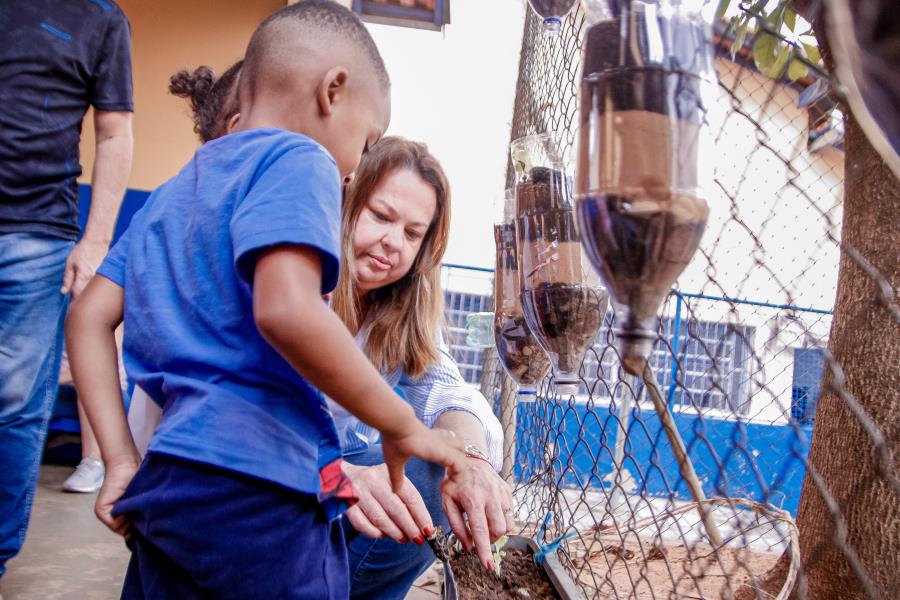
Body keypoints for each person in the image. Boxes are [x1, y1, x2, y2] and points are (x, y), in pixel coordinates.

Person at [65, 2, 471, 598]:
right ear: (334, 90)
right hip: (264, 489)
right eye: (367, 139)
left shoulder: (176, 192)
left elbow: (86, 317)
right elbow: (285, 309)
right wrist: (402, 424)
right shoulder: (302, 159)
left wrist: (121, 460)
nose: (355, 166)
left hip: (168, 484)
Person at [130, 62, 513, 598]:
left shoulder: (393, 315)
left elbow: (443, 389)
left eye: (412, 233)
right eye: (380, 215)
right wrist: (338, 476)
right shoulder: (283, 277)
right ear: (343, 196)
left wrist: (468, 460)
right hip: (213, 480)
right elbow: (218, 414)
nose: (392, 243)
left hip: (277, 486)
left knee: (429, 469)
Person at [0, 0, 133, 583]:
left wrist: (95, 238)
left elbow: (113, 131)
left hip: (37, 232)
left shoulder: (101, 18)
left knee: (14, 406)